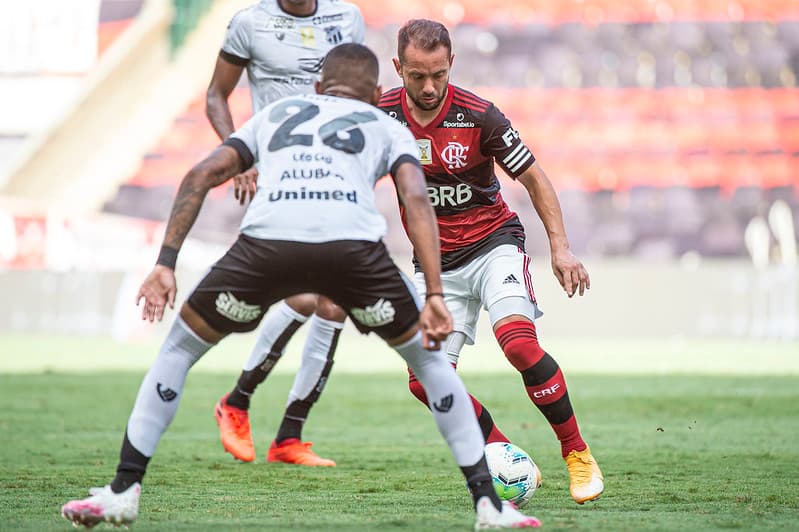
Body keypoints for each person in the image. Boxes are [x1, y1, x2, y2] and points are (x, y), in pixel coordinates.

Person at [60, 44, 542, 530]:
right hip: (352, 252)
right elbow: (416, 198)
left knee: (178, 352)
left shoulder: (278, 113)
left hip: (268, 246)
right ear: (377, 93)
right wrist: (434, 295)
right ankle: (488, 505)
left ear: (317, 87)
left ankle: (123, 490)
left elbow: (202, 173)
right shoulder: (387, 124)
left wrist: (166, 263)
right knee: (432, 366)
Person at [377, 19, 604, 505]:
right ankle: (502, 449)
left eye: (438, 73)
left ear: (452, 63)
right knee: (423, 381)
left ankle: (577, 452)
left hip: (493, 244)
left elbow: (536, 179)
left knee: (519, 345)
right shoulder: (380, 117)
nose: (430, 86)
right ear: (398, 68)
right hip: (436, 264)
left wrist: (560, 247)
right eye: (417, 76)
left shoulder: (479, 116)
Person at [206, 0, 365, 466]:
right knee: (299, 295)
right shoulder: (249, 24)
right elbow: (216, 94)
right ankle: (237, 403)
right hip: (279, 177)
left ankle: (285, 432)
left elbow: (356, 93)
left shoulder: (347, 18)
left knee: (330, 301)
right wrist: (239, 157)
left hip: (333, 176)